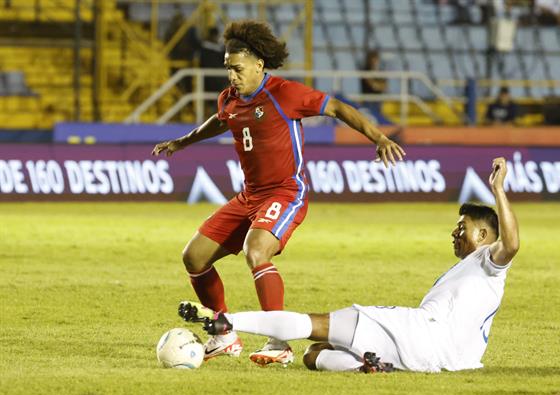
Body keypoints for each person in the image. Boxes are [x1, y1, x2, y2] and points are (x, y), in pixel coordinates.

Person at [152, 20, 405, 367]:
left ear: (259, 65)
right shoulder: (229, 98)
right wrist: (183, 141)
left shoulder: (285, 93)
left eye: (237, 68)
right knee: (193, 257)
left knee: (255, 251)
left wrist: (380, 138)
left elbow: (338, 108)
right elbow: (220, 119)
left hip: (286, 193)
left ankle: (280, 342)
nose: (232, 76)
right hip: (249, 196)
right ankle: (225, 335)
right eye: (228, 68)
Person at [179, 157, 519, 373]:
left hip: (417, 331)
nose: (454, 233)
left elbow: (512, 244)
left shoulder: (488, 260)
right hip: (443, 360)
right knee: (314, 355)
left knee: (312, 324)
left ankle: (226, 321)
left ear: (485, 233)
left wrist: (498, 190)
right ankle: (370, 367)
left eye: (462, 228)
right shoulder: (474, 273)